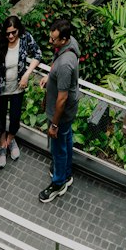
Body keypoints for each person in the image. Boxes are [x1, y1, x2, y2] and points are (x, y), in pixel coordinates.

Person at [0, 15, 41, 170]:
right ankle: (2, 147)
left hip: (17, 88)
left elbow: (38, 54)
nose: (10, 36)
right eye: (7, 33)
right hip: (2, 90)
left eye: (13, 32)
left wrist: (27, 73)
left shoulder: (25, 38)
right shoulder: (0, 45)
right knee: (1, 118)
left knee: (16, 117)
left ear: (19, 30)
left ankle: (10, 140)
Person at [39, 17, 80, 203]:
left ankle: (58, 183)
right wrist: (50, 78)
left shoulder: (65, 64)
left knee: (58, 147)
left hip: (61, 113)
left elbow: (62, 99)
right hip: (69, 110)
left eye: (53, 39)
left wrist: (54, 124)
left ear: (63, 40)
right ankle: (66, 172)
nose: (50, 42)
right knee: (66, 138)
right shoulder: (70, 45)